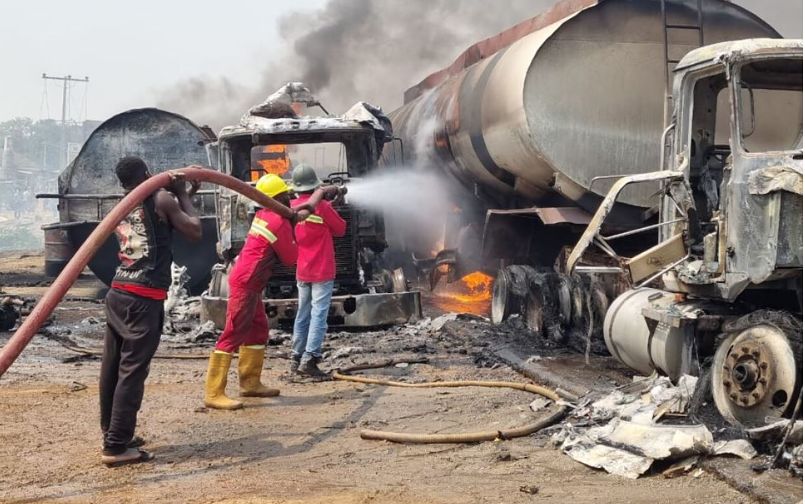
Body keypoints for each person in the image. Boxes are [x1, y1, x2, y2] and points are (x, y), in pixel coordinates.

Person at [100, 156, 202, 466]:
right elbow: (195, 230)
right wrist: (181, 193)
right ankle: (116, 447)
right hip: (143, 298)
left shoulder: (122, 202)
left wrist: (184, 196)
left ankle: (113, 432)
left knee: (113, 368)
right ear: (147, 173)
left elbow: (155, 223)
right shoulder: (161, 197)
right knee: (132, 371)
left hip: (118, 291)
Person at [204, 174, 298, 410]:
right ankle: (214, 392)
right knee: (233, 332)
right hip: (247, 282)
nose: (291, 197)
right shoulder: (278, 221)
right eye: (287, 194)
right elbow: (290, 258)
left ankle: (250, 382)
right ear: (279, 198)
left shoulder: (265, 214)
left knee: (258, 330)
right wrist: (297, 227)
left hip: (251, 282)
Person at [290, 164, 346, 379]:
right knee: (319, 315)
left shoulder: (292, 207)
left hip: (302, 270)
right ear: (315, 186)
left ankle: (296, 358)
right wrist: (333, 206)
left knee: (302, 314)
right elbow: (340, 229)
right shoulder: (321, 207)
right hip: (322, 269)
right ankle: (310, 359)